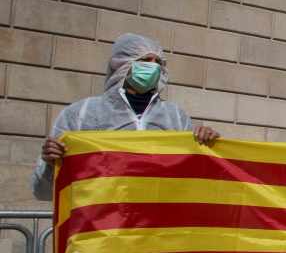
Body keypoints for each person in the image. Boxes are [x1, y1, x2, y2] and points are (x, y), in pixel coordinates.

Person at [33, 34, 219, 200]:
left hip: (158, 230)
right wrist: (51, 165)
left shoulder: (176, 118)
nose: (153, 66)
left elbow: (195, 183)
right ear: (122, 64)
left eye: (158, 62)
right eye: (145, 60)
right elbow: (42, 192)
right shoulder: (81, 114)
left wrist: (209, 147)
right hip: (103, 230)